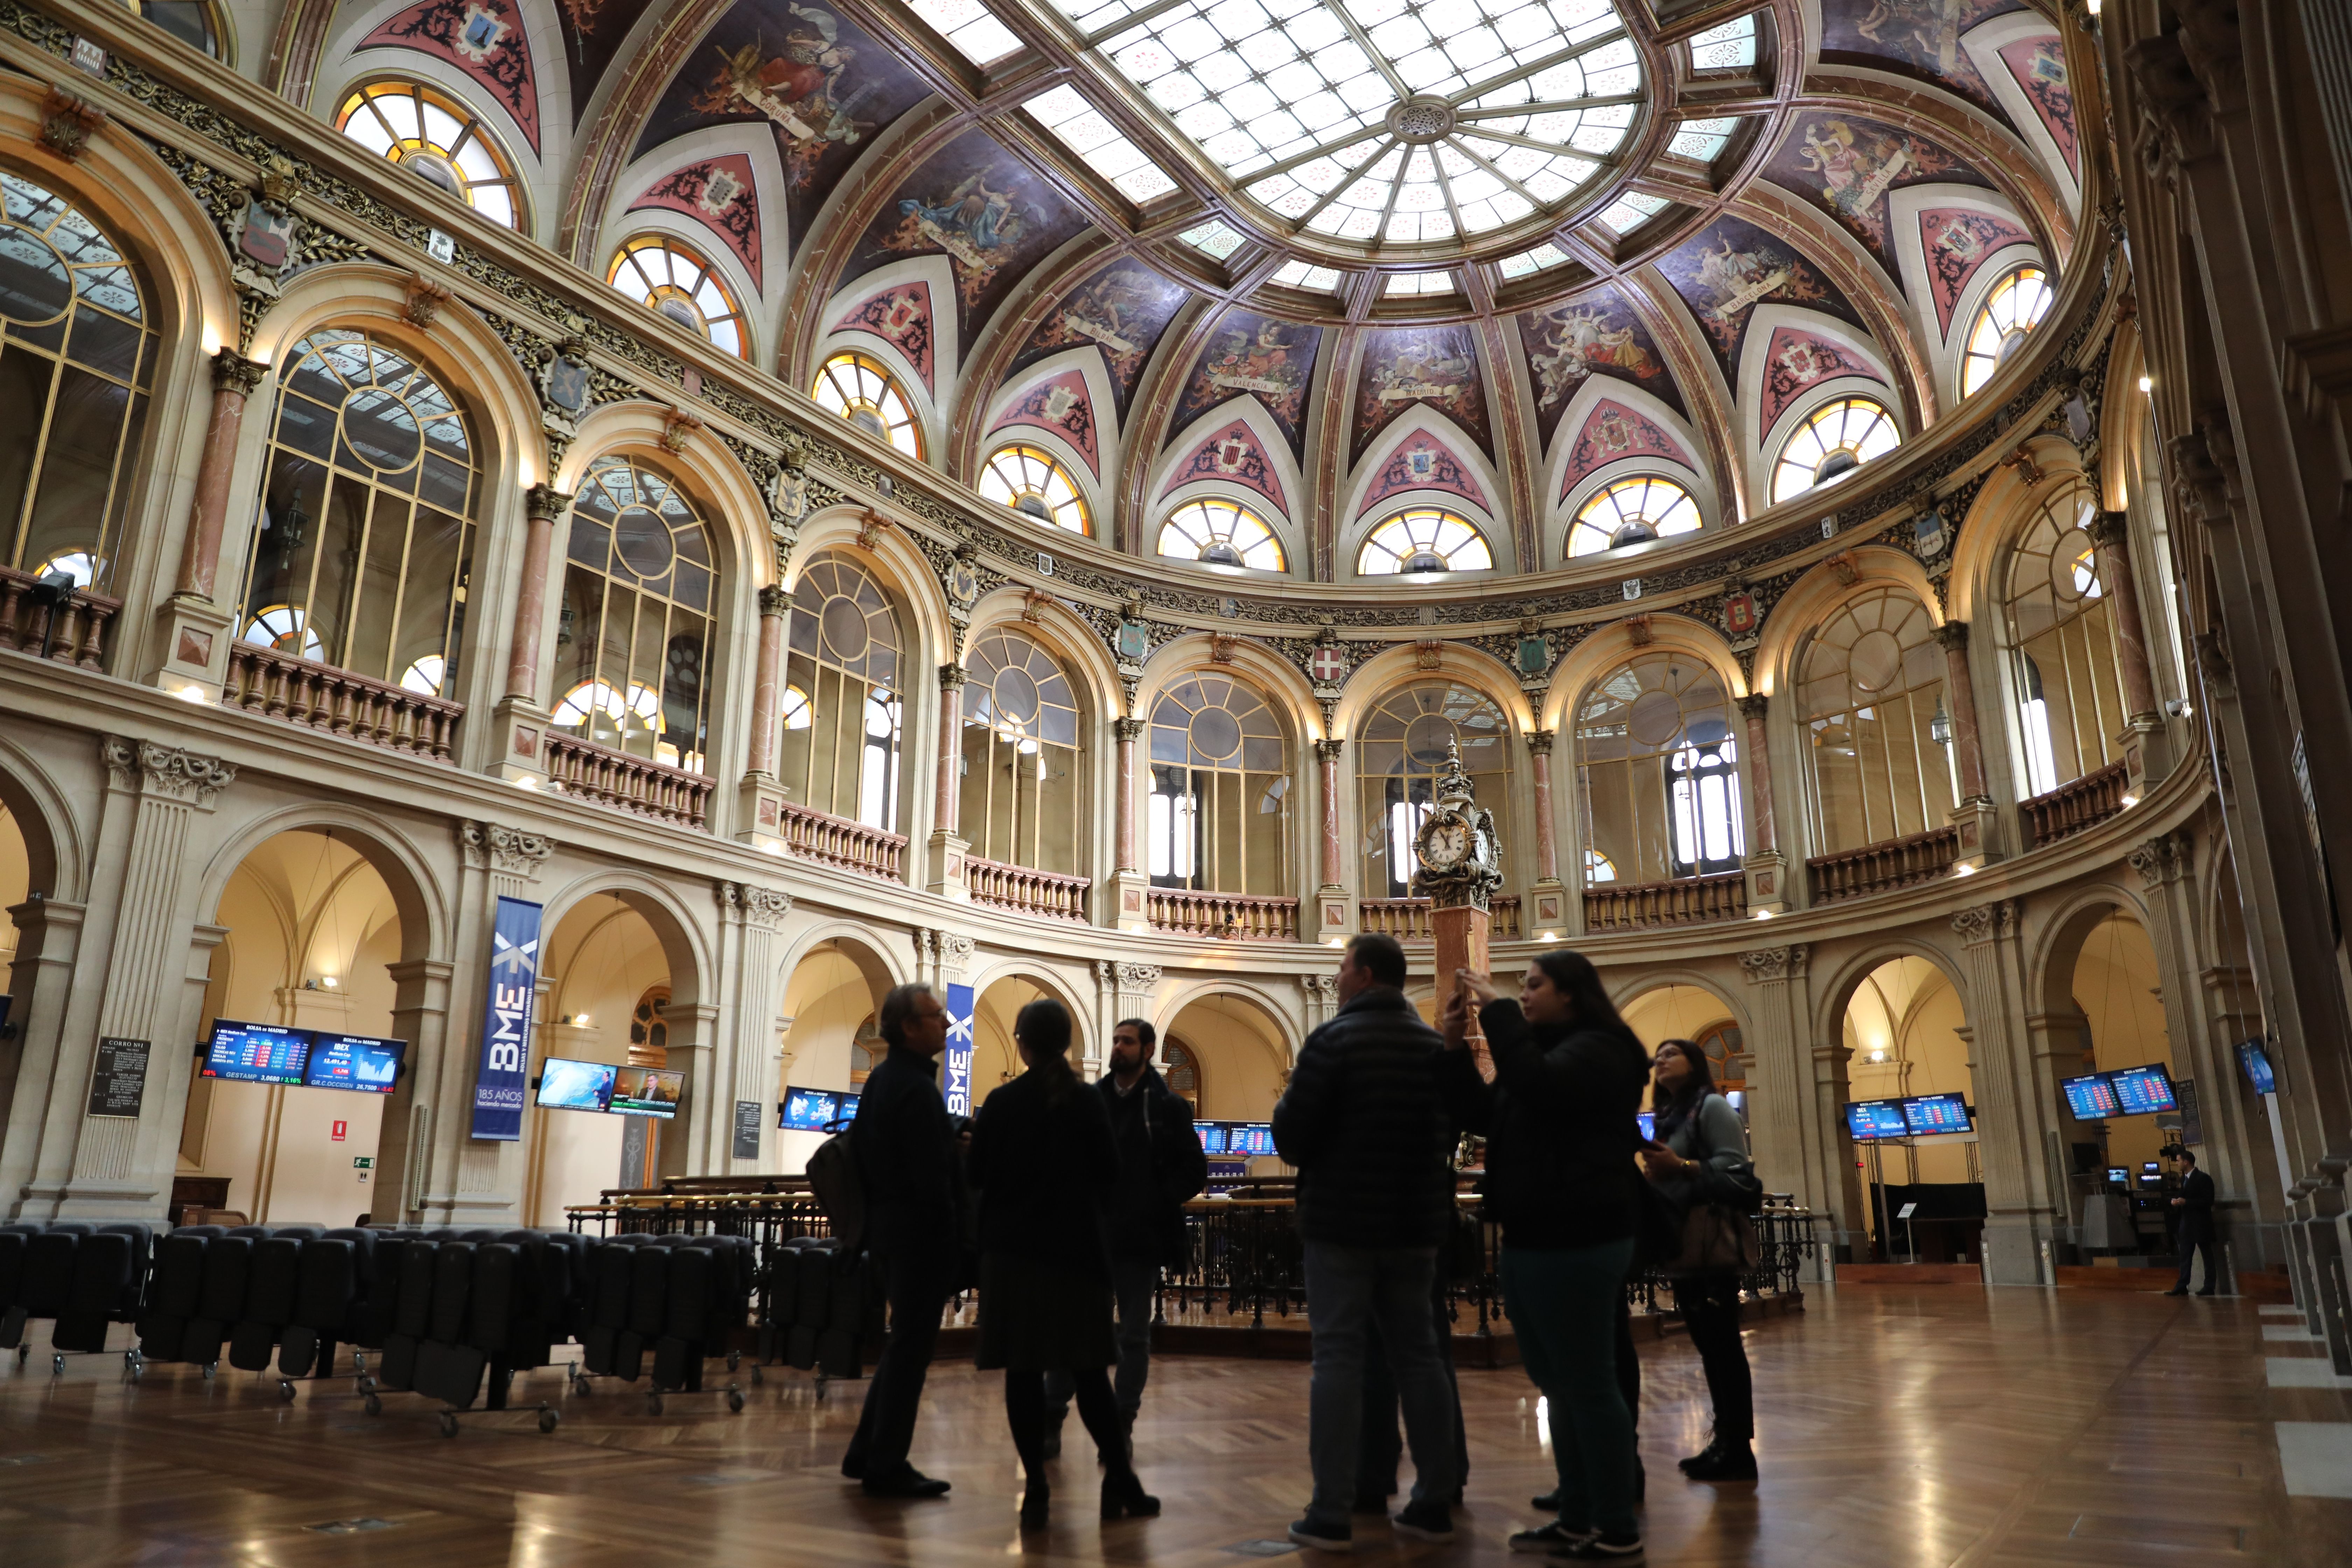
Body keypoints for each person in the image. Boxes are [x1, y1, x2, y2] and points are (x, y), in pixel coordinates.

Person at [1440, 953, 1648, 1562]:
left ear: (1573, 992)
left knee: (1587, 1382)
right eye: (1521, 989)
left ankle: (1615, 1526)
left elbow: (1544, 1088)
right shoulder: (1539, 1052)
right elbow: (1481, 1114)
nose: (1523, 995)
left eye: (1534, 986)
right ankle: (1577, 1510)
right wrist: (1454, 1048)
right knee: (1556, 1382)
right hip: (1533, 1234)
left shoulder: (1605, 1047)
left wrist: (1497, 1012)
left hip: (1581, 1234)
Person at [1273, 932, 1460, 1550]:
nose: (1339, 976)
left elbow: (1293, 1139)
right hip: (1416, 1227)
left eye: (1345, 967)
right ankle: (1434, 1500)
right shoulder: (1433, 1046)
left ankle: (1330, 1510)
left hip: (1343, 1228)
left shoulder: (1333, 1041)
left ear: (1369, 975)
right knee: (1421, 1359)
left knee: (1338, 1361)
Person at [968, 997, 1161, 1531]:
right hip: (1076, 1254)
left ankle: (1035, 1487)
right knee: (1090, 1373)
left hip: (1014, 1258)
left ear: (1022, 1044)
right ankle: (1122, 1478)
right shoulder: (1087, 1102)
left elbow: (978, 1176)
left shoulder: (1002, 1103)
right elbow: (1109, 1172)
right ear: (1067, 1043)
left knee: (1024, 1373)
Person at [1043, 1016, 1208, 1457]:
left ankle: (1121, 1425)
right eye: (1115, 1040)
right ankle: (1051, 1419)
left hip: (1141, 1240)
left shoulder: (1169, 1106)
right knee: (1073, 1331)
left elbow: (1194, 1169)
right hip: (1090, 1237)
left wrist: (1156, 1200)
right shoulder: (1090, 1100)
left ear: (1148, 1049)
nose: (1118, 1047)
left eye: (1127, 1041)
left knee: (1134, 1336)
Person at [841, 982, 959, 1498]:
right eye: (937, 1016)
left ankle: (868, 1453)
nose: (947, 1024)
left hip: (892, 1230)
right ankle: (887, 1463)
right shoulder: (912, 1087)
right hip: (918, 1235)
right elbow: (929, 1176)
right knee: (911, 1350)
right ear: (910, 1027)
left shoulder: (887, 1079)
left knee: (903, 1346)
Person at [1640, 1037, 1757, 1482]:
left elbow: (1736, 1169)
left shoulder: (1712, 1106)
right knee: (1710, 1348)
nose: (1661, 1058)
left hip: (1710, 1243)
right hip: (1684, 1243)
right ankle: (1723, 1440)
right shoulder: (1671, 1113)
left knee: (1724, 1346)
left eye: (1672, 1052)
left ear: (1695, 1064)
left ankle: (1739, 1450)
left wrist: (1680, 1167)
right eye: (1659, 1054)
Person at [2165, 1148, 2222, 1296]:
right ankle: (2182, 1285)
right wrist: (2177, 1202)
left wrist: (2186, 1202)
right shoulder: (2184, 1179)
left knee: (2207, 1255)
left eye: (2178, 1161)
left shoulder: (2203, 1178)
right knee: (2185, 1255)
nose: (2177, 1163)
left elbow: (2208, 1201)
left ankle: (2209, 1286)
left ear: (2186, 1162)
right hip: (2186, 1223)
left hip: (2201, 1222)